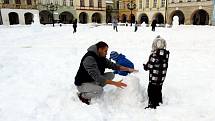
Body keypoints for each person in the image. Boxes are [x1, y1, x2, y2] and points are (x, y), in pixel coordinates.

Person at [143, 35, 170, 109]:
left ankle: (152, 104)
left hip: (154, 78)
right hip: (161, 78)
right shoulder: (166, 55)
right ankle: (159, 101)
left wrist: (145, 66)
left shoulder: (154, 55)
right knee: (158, 90)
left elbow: (150, 66)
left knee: (151, 91)